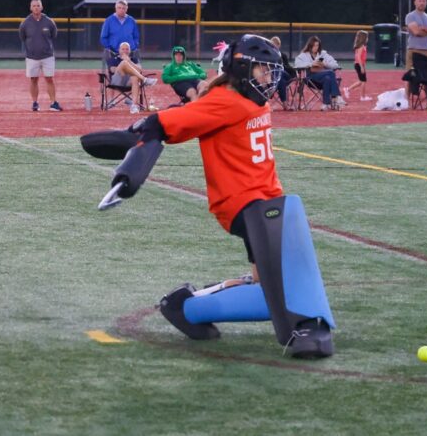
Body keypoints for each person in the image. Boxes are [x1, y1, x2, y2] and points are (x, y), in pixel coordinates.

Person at [110, 34, 335, 358]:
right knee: (287, 283)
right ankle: (306, 325)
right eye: (262, 71)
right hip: (246, 204)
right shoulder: (226, 101)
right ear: (243, 71)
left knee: (269, 290)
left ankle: (187, 308)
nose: (269, 78)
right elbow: (166, 122)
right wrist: (138, 138)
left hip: (265, 200)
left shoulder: (251, 99)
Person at [19, 0, 61, 112]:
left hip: (47, 56)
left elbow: (54, 35)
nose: (36, 8)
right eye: (34, 6)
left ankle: (53, 103)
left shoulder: (49, 21)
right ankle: (35, 103)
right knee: (33, 79)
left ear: (42, 7)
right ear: (30, 8)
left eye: (38, 5)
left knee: (49, 79)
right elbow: (22, 37)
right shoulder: (25, 23)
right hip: (32, 57)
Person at [294, 36, 343, 110]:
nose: (316, 47)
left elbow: (335, 64)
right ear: (310, 46)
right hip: (310, 78)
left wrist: (325, 64)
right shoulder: (304, 55)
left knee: (328, 78)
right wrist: (311, 64)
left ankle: (325, 104)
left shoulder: (323, 54)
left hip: (323, 76)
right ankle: (337, 96)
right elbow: (297, 65)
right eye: (314, 45)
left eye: (317, 45)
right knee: (331, 73)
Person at [107, 41, 156, 114]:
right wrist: (124, 64)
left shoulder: (134, 60)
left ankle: (134, 105)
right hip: (117, 81)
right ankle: (144, 79)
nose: (125, 51)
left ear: (130, 51)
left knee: (135, 78)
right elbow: (112, 70)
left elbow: (140, 70)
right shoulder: (113, 59)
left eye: (127, 49)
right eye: (123, 49)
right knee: (124, 63)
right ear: (119, 50)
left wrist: (129, 61)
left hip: (129, 82)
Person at [344, 30, 371, 101]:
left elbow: (360, 58)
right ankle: (363, 97)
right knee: (363, 81)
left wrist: (363, 66)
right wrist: (361, 67)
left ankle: (347, 89)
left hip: (359, 64)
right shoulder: (361, 46)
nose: (368, 39)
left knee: (361, 81)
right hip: (359, 65)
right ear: (363, 38)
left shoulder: (362, 46)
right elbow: (358, 57)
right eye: (367, 37)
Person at [269, 36, 295, 109]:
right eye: (272, 45)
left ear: (279, 45)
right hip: (273, 77)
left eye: (275, 44)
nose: (273, 46)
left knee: (279, 71)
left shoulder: (283, 56)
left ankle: (272, 90)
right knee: (281, 81)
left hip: (285, 75)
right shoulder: (268, 56)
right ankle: (285, 104)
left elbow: (288, 67)